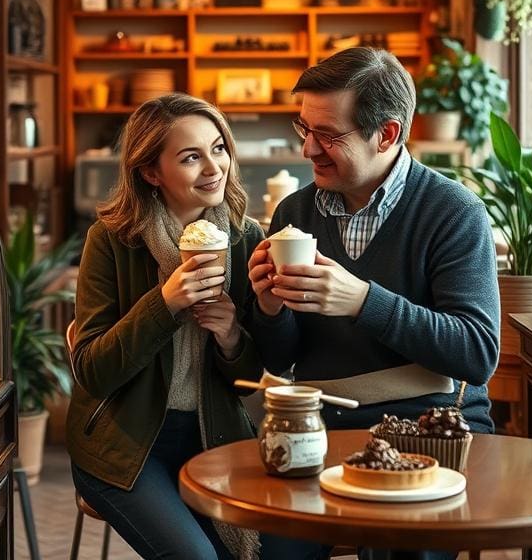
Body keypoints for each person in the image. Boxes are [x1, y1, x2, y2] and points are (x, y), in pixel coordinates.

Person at [247, 48, 500, 559]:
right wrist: (269, 308)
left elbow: (476, 353)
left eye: (329, 136)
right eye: (304, 129)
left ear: (386, 134)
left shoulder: (453, 212)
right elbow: (280, 361)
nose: (308, 150)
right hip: (317, 427)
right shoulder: (294, 212)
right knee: (273, 548)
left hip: (429, 427)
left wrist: (362, 300)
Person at [67, 93, 326, 560]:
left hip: (216, 434)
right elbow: (92, 369)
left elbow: (257, 372)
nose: (214, 167)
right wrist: (164, 303)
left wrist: (231, 336)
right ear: (150, 172)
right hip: (125, 445)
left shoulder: (246, 237)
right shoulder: (111, 240)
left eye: (219, 148)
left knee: (295, 547)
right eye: (191, 157)